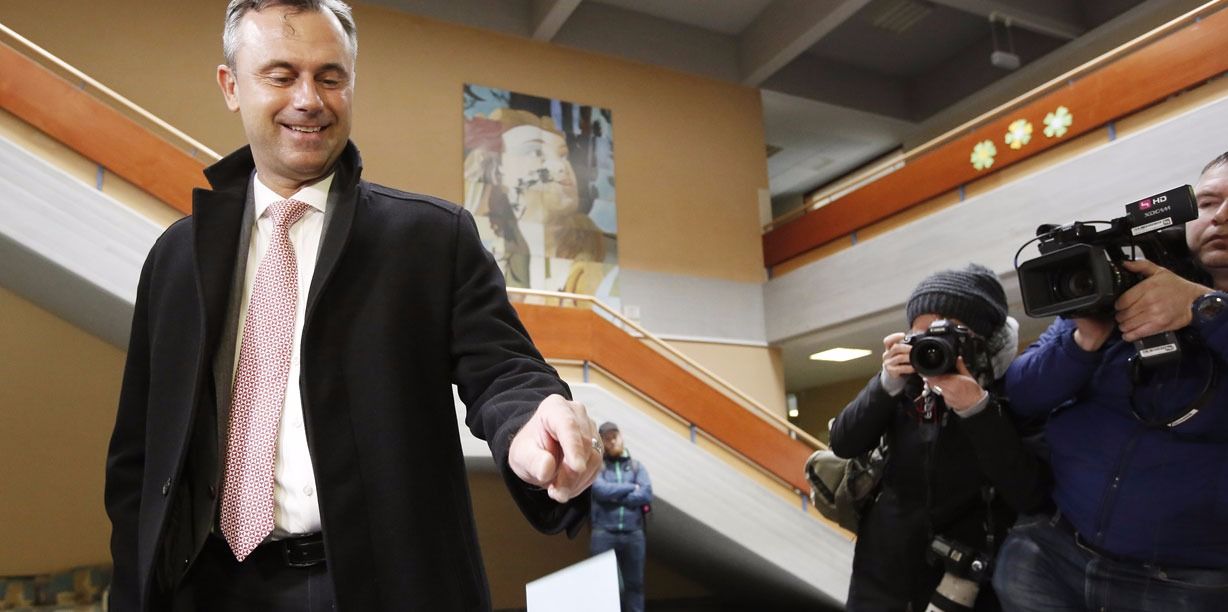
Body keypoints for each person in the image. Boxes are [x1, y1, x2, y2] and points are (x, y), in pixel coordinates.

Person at [103, 2, 604, 611]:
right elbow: (138, 452)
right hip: (207, 586)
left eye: (330, 77)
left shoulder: (429, 238)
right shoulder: (176, 257)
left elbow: (503, 371)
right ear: (232, 86)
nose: (309, 99)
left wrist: (530, 422)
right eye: (281, 75)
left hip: (376, 587)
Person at [993, 155, 1228, 610]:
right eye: (1207, 202)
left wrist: (1203, 307)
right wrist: (1084, 338)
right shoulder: (1125, 282)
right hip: (1052, 552)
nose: (1220, 216)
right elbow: (1021, 394)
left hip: (1186, 582)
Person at [829, 264, 1047, 611]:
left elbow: (1029, 494)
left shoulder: (1014, 392)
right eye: (922, 333)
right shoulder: (904, 385)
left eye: (951, 332)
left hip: (963, 579)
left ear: (984, 340)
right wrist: (886, 384)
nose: (934, 343)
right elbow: (843, 443)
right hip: (881, 574)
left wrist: (977, 410)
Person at [590, 421, 653, 612]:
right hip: (603, 533)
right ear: (601, 442)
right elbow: (601, 491)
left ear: (621, 437)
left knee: (635, 584)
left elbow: (646, 493)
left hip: (634, 533)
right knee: (602, 584)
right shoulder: (597, 466)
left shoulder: (636, 467)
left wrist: (615, 496)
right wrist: (630, 487)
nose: (611, 441)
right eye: (606, 438)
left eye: (614, 437)